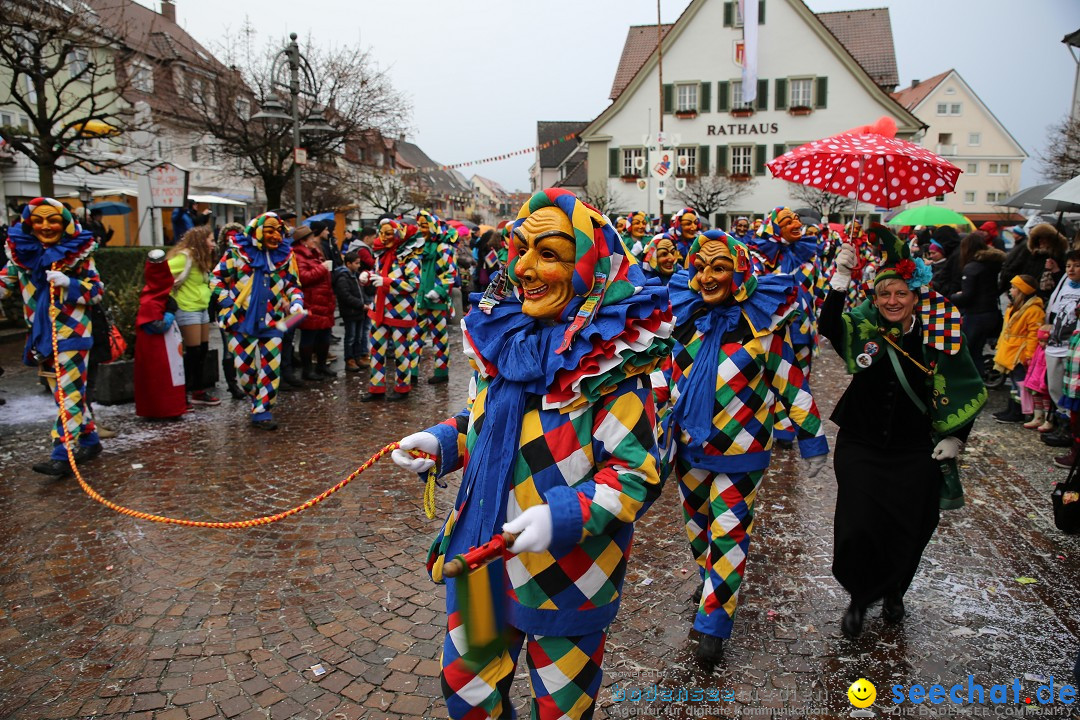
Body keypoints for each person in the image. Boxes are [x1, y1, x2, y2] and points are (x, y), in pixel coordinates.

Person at [391, 188, 672, 719]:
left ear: (589, 265)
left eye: (548, 254)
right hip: (482, 558)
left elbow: (636, 474)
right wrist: (443, 444)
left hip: (565, 578)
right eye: (521, 249)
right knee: (467, 689)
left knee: (562, 710)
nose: (524, 268)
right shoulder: (509, 339)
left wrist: (563, 515)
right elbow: (489, 425)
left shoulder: (613, 368)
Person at [666, 229, 828, 662]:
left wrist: (811, 438)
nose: (706, 276)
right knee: (699, 531)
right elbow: (663, 381)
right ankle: (711, 584)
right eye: (700, 267)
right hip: (690, 451)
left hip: (742, 453)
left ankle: (713, 625)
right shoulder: (686, 324)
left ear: (738, 272)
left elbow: (793, 386)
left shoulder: (764, 330)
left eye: (718, 267)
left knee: (729, 532)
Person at [821, 225, 986, 639]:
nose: (892, 301)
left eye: (900, 293)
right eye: (884, 294)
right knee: (858, 522)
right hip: (861, 441)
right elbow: (828, 324)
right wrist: (840, 278)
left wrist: (957, 437)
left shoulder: (940, 333)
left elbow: (965, 382)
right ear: (875, 298)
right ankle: (859, 598)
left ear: (915, 296)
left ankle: (895, 587)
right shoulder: (864, 327)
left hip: (915, 449)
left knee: (912, 523)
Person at [0, 198, 104, 476]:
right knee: (65, 394)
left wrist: (69, 282)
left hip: (73, 332)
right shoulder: (22, 253)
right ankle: (90, 440)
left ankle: (63, 454)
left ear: (65, 222)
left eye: (53, 219)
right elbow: (4, 282)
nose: (46, 226)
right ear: (29, 223)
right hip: (41, 335)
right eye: (39, 220)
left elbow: (96, 292)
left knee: (68, 393)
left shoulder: (78, 252)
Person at [211, 212, 304, 430]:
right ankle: (255, 397)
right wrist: (227, 301)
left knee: (271, 369)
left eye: (279, 231)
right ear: (257, 230)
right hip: (240, 321)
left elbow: (293, 285)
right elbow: (215, 278)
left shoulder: (285, 256)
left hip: (273, 323)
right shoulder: (237, 253)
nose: (276, 236)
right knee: (245, 372)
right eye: (270, 230)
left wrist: (296, 302)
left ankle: (263, 411)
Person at [360, 219, 422, 401]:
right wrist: (369, 276)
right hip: (379, 309)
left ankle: (403, 388)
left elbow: (414, 284)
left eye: (388, 233)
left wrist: (387, 282)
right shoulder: (381, 254)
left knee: (401, 352)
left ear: (397, 234)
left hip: (400, 312)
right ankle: (376, 388)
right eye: (382, 233)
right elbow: (380, 275)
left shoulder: (411, 256)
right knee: (376, 350)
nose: (384, 237)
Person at [167, 225, 221, 407]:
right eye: (211, 240)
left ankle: (197, 391)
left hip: (201, 308)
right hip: (187, 307)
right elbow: (163, 274)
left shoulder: (201, 259)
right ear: (201, 240)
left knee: (203, 350)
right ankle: (182, 393)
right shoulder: (185, 257)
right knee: (193, 352)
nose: (214, 244)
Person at [135, 249, 186, 419]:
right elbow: (157, 326)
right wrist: (170, 313)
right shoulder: (151, 301)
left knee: (165, 379)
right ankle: (162, 410)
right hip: (157, 349)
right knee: (160, 379)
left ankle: (169, 408)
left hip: (163, 347)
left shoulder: (155, 297)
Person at [991, 276, 1044, 425]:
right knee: (1014, 382)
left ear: (1022, 291)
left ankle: (1020, 411)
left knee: (1020, 383)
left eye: (1014, 288)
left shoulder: (1033, 310)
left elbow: (1034, 334)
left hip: (1019, 352)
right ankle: (1012, 408)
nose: (1011, 290)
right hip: (1011, 349)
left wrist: (1028, 355)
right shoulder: (1014, 307)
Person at [1040, 250, 1080, 446]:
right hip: (1055, 343)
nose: (1071, 270)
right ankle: (1062, 422)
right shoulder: (1065, 285)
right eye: (1068, 265)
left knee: (1070, 389)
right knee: (1055, 387)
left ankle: (1069, 432)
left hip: (1071, 346)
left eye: (1077, 266)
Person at [414, 210, 457, 384]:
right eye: (419, 225)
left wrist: (439, 291)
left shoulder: (443, 248)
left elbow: (451, 274)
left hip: (436, 302)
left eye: (424, 225)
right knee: (414, 338)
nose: (421, 229)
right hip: (420, 300)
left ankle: (441, 373)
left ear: (432, 227)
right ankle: (411, 373)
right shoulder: (417, 247)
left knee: (439, 338)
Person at [948, 231, 1005, 361]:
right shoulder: (992, 263)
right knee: (978, 350)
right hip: (991, 311)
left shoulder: (971, 267)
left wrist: (953, 297)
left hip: (976, 314)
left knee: (969, 352)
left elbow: (967, 296)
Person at [291, 225, 337, 381]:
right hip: (310, 301)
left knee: (324, 336)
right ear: (303, 241)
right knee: (309, 336)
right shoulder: (298, 256)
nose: (313, 240)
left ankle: (321, 366)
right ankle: (307, 369)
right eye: (310, 238)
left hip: (323, 300)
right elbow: (303, 277)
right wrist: (322, 269)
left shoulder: (314, 253)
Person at [333, 250, 368, 373]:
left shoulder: (355, 275)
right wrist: (361, 304)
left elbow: (360, 292)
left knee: (358, 337)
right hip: (351, 311)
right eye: (356, 263)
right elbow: (345, 296)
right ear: (348, 264)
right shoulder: (343, 277)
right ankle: (349, 359)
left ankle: (357, 357)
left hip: (358, 311)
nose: (359, 266)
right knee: (351, 337)